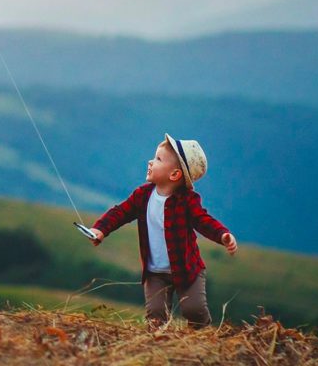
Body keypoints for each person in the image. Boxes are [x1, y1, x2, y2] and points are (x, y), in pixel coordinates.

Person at [88, 134, 238, 328]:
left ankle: (203, 336)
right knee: (156, 317)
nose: (150, 161)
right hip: (154, 273)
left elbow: (203, 220)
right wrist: (101, 229)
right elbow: (121, 212)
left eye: (158, 159)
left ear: (174, 174)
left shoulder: (187, 201)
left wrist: (222, 235)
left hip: (187, 270)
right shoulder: (142, 195)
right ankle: (157, 345)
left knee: (194, 309)